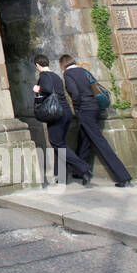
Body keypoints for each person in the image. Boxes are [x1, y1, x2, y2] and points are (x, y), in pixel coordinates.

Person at [60, 54, 133, 187]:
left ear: (63, 65)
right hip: (95, 107)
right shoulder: (84, 71)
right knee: (84, 138)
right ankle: (79, 171)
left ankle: (123, 176)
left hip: (84, 109)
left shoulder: (68, 74)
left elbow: (74, 93)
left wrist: (77, 109)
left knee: (99, 141)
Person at [32, 54, 91, 186]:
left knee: (56, 142)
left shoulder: (44, 76)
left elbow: (46, 89)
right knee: (60, 143)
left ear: (37, 65)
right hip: (66, 112)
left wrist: (38, 89)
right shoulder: (56, 76)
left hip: (55, 113)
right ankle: (61, 176)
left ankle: (83, 168)